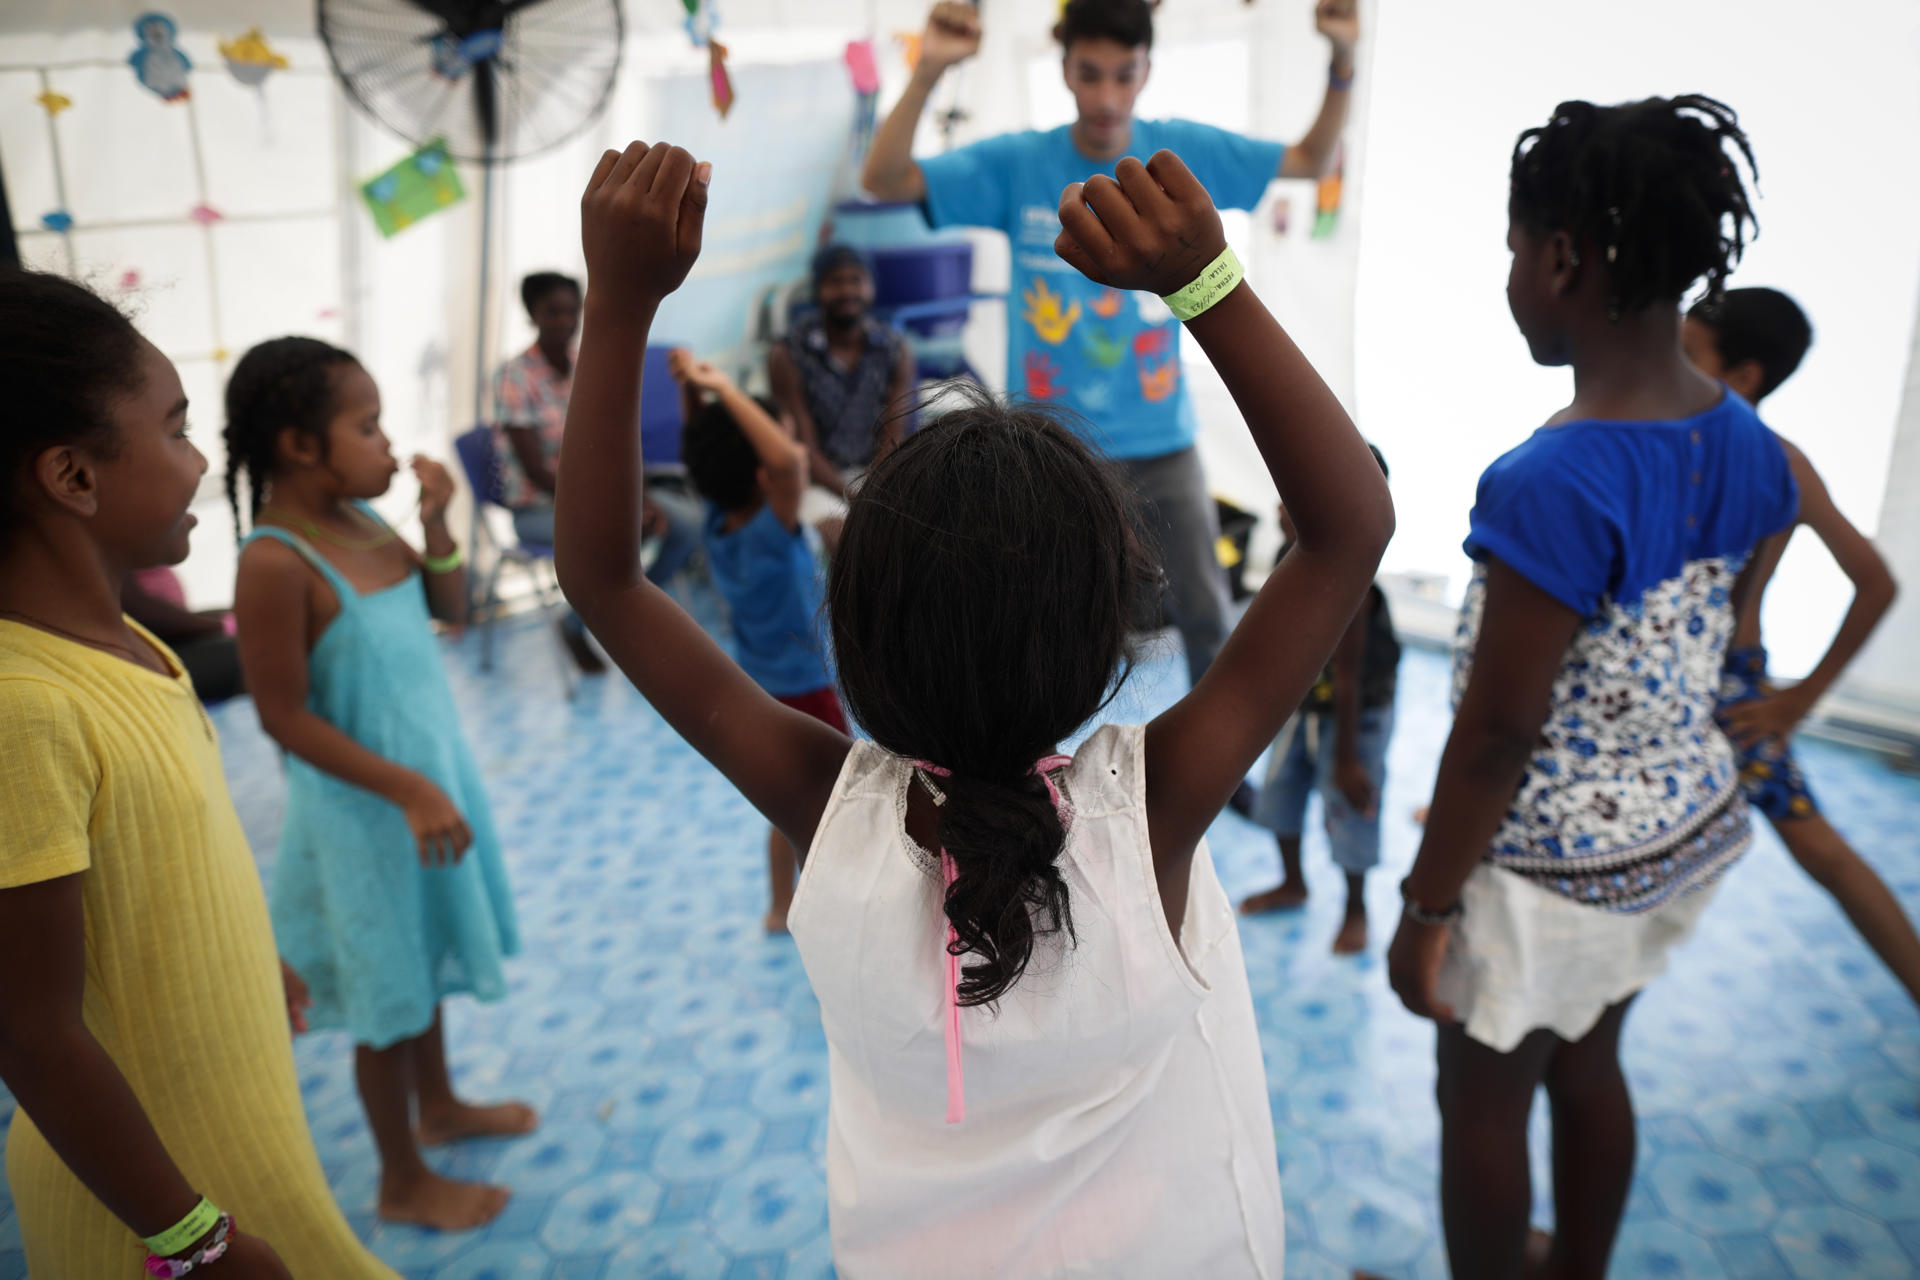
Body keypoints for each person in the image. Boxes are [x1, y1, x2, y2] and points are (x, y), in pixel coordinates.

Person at [555, 139, 1392, 1276]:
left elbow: (607, 578)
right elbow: (1351, 522)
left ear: (853, 633)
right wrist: (1207, 281)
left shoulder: (826, 805)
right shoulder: (1152, 812)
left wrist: (617, 303)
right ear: (1106, 642)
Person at [1384, 97, 1800, 1280]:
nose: (1512, 270)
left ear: (1561, 258)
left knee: (1478, 1093)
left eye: (1515, 245)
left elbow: (1498, 734)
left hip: (1549, 871)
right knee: (1588, 1059)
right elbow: (1726, 617)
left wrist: (1425, 910)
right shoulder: (1747, 436)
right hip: (1675, 833)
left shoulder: (1551, 479)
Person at [0, 267, 394, 1278]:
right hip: (152, 1213)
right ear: (73, 476)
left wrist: (238, 957)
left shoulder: (125, 640)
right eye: (175, 428)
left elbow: (149, 868)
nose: (200, 459)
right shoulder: (24, 704)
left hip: (228, 1120)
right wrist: (192, 1239)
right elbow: (30, 1029)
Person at [861, 0, 1360, 706]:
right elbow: (882, 179)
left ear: (1146, 71)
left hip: (1163, 441)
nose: (1105, 98)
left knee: (1206, 615)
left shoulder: (1172, 159)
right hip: (1052, 445)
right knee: (1041, 623)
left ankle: (1226, 776)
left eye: (1123, 76)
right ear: (1062, 67)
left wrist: (1342, 62)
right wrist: (930, 69)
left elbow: (1310, 160)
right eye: (1088, 75)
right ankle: (1035, 769)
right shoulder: (1020, 162)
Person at [227, 337, 533, 1233]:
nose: (390, 445)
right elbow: (282, 717)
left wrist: (436, 521)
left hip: (426, 789)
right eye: (367, 426)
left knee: (421, 954)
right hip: (365, 814)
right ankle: (400, 1177)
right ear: (300, 445)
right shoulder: (276, 561)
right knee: (382, 997)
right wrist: (403, 789)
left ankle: (438, 1106)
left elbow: (450, 611)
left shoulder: (362, 523)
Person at [1683, 287, 1917, 1013]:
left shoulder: (1774, 462)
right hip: (1683, 683)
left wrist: (1797, 701)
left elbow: (1875, 582)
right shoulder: (1671, 441)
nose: (1664, 364)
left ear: (1743, 376)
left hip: (1727, 691)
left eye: (1686, 354)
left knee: (1822, 850)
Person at [667, 348, 848, 933]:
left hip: (760, 687)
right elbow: (792, 461)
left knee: (784, 803)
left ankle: (780, 904)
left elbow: (705, 451)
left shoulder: (718, 523)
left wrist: (695, 395)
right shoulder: (774, 531)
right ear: (763, 476)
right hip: (811, 691)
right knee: (828, 801)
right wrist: (717, 383)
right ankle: (830, 902)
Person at [493, 269, 703, 673]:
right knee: (622, 533)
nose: (566, 321)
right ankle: (610, 620)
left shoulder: (589, 364)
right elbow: (536, 471)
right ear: (531, 313)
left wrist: (640, 500)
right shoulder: (514, 376)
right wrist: (617, 507)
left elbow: (624, 438)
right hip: (541, 508)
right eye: (553, 311)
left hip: (607, 498)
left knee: (688, 524)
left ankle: (591, 620)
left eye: (573, 311)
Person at [1240, 444, 1400, 954]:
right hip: (1305, 708)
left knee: (1350, 804)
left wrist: (1348, 760)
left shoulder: (1354, 585)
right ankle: (1293, 882)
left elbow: (1350, 680)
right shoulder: (1290, 564)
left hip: (1355, 718)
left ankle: (1357, 907)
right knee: (1279, 793)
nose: (1277, 509)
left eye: (1291, 499)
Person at [768, 244, 916, 527]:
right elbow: (803, 447)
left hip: (879, 476)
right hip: (816, 482)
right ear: (817, 289)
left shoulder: (895, 348)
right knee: (838, 534)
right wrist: (853, 497)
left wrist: (875, 490)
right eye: (835, 281)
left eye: (856, 280)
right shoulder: (789, 354)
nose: (847, 291)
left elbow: (894, 434)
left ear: (871, 287)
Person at [121, 563, 245, 702]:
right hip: (151, 657)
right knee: (246, 653)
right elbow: (145, 614)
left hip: (169, 643)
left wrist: (229, 619)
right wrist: (224, 625)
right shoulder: (117, 561)